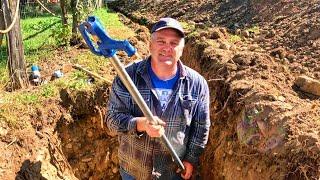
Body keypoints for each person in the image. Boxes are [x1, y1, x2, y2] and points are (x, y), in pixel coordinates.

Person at [106, 17, 210, 180]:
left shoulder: (197, 84)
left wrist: (191, 158)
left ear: (183, 49)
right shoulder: (127, 78)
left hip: (172, 171)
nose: (167, 48)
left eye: (174, 43)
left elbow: (201, 126)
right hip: (134, 170)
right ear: (150, 44)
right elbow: (112, 120)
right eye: (161, 41)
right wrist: (140, 124)